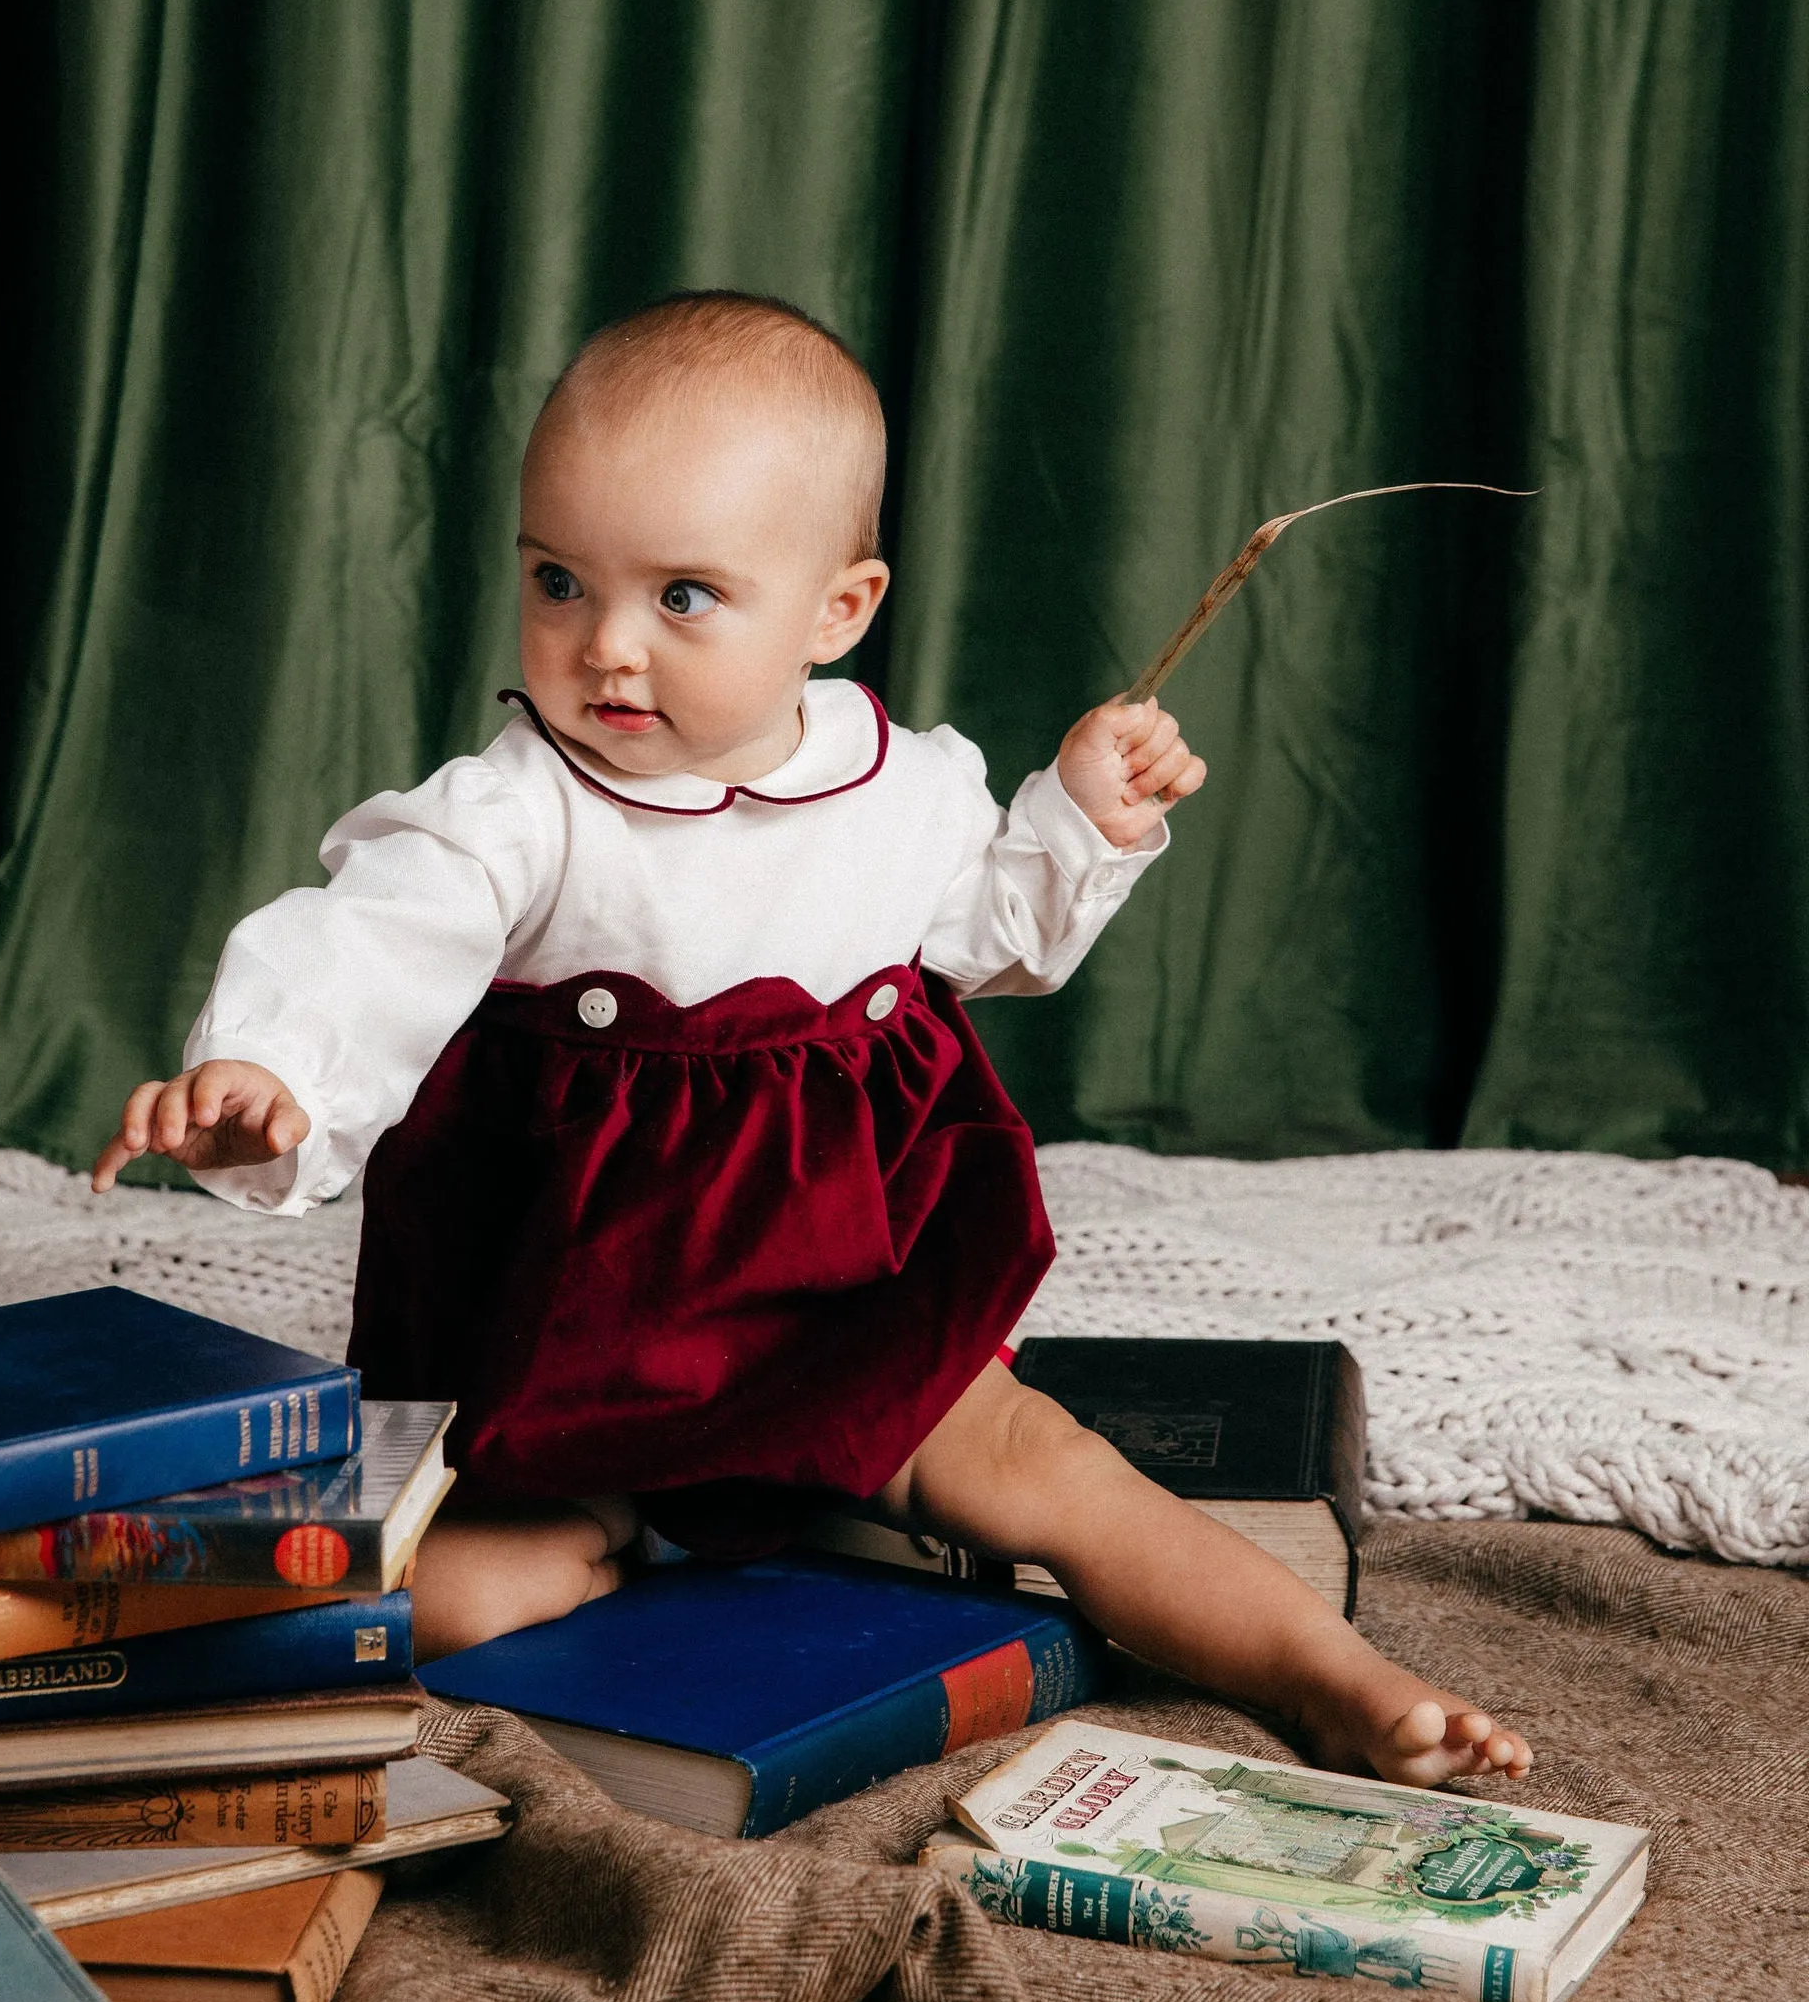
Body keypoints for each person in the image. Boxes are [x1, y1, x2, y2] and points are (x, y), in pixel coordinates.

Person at [95, 291, 1529, 1786]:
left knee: (1058, 1477)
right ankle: (603, 1561)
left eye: (685, 597)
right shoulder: (515, 812)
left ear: (837, 611)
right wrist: (272, 1071)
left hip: (842, 1305)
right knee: (439, 1595)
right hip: (582, 1350)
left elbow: (996, 937)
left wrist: (1085, 816)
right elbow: (370, 938)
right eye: (560, 581)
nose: (608, 651)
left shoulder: (899, 786)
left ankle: (1330, 1680)